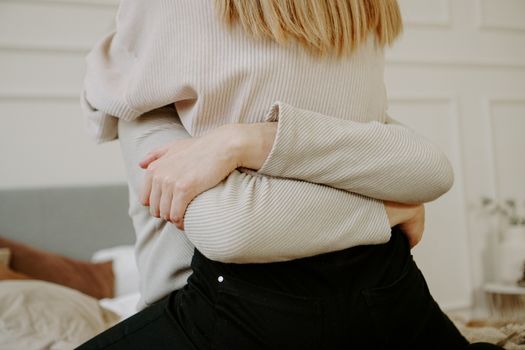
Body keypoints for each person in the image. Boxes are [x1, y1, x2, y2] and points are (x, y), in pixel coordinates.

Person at [77, 1, 502, 349]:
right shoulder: (362, 9)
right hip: (392, 292)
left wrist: (245, 141)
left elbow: (233, 228)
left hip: (241, 310)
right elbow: (428, 171)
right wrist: (391, 209)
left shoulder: (162, 27)